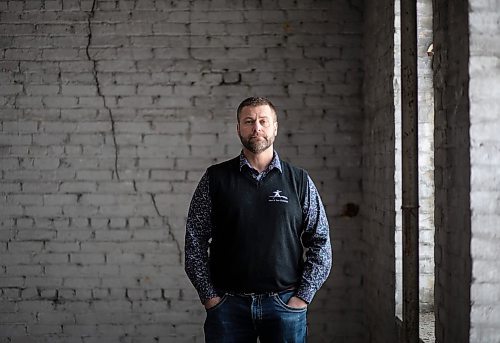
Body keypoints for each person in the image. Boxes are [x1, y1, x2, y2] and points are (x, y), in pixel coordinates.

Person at [184, 96, 332, 343]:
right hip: (228, 307)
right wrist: (210, 297)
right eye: (249, 121)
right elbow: (194, 241)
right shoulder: (215, 179)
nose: (257, 128)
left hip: (285, 306)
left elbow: (321, 242)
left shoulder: (299, 181)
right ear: (238, 128)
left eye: (264, 121)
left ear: (275, 127)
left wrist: (302, 298)